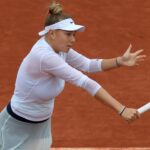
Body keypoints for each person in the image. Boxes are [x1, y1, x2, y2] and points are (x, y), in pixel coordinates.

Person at [0, 1, 146, 150]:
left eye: (74, 35)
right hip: (17, 124)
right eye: (68, 34)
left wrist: (119, 61)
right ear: (52, 33)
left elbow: (88, 65)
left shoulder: (60, 48)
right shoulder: (44, 56)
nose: (73, 40)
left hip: (41, 123)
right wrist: (121, 109)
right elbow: (85, 82)